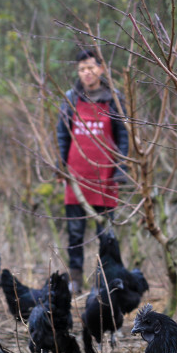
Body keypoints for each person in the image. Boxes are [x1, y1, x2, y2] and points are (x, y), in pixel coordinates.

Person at [56, 48, 129, 293]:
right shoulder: (71, 98)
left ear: (101, 68)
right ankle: (75, 280)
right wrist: (62, 166)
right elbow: (62, 135)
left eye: (90, 68)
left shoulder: (114, 98)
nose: (86, 73)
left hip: (106, 177)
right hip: (77, 177)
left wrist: (121, 167)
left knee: (106, 234)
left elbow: (123, 135)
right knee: (75, 232)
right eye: (81, 69)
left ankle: (105, 280)